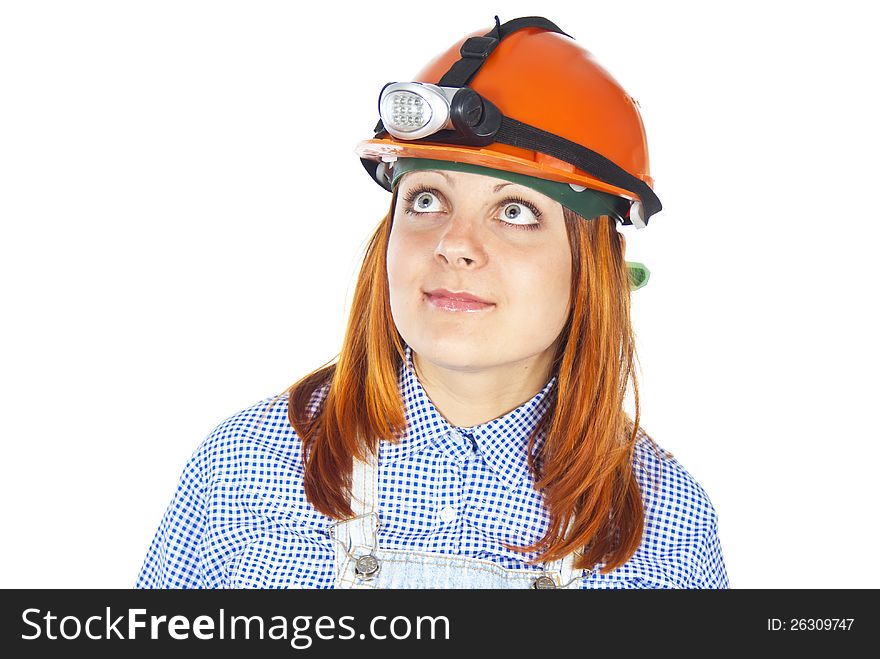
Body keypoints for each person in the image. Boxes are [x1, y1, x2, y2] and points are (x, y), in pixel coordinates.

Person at [136, 16, 728, 589]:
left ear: (594, 267)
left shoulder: (665, 524)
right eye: (425, 201)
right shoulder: (246, 468)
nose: (454, 244)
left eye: (516, 211)